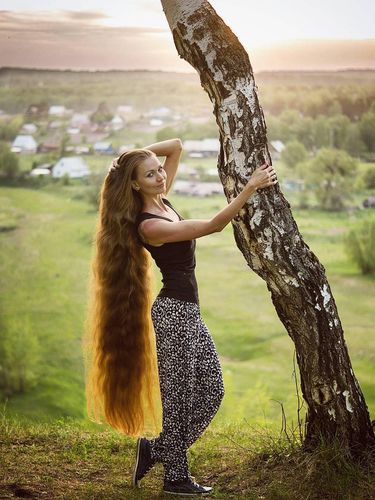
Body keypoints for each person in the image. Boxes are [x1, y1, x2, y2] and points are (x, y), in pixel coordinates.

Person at [84, 138, 277, 497]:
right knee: (180, 399)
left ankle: (155, 450)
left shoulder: (160, 197)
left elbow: (175, 146)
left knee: (212, 390)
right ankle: (175, 478)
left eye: (158, 171)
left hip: (188, 311)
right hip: (173, 313)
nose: (160, 176)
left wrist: (130, 158)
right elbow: (215, 225)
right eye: (149, 174)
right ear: (134, 184)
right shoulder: (148, 226)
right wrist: (251, 185)